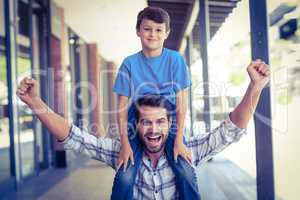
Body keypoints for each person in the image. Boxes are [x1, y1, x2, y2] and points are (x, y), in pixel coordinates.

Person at [16, 59, 271, 200]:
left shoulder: (186, 151)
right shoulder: (122, 153)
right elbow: (74, 137)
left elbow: (230, 129)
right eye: (146, 122)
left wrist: (255, 88)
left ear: (170, 124)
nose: (153, 129)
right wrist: (36, 103)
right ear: (135, 125)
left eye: (160, 121)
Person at [112, 6, 195, 199]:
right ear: (138, 31)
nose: (153, 34)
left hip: (169, 120)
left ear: (166, 33)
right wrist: (125, 143)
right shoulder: (129, 63)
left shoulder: (175, 60)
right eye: (148, 29)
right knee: (124, 177)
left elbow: (182, 104)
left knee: (186, 173)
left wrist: (179, 139)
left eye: (159, 30)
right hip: (138, 119)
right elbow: (122, 108)